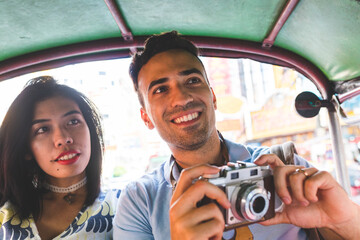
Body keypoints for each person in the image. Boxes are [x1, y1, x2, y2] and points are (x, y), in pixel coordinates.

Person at [113, 31, 360, 239]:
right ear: (145, 117)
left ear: (213, 97)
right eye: (161, 89)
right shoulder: (140, 201)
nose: (182, 98)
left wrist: (343, 221)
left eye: (192, 80)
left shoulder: (283, 167)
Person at [0, 76, 121, 239]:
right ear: (26, 149)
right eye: (43, 129)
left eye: (73, 121)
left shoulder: (123, 205)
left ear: (90, 131)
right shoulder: (6, 215)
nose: (63, 138)